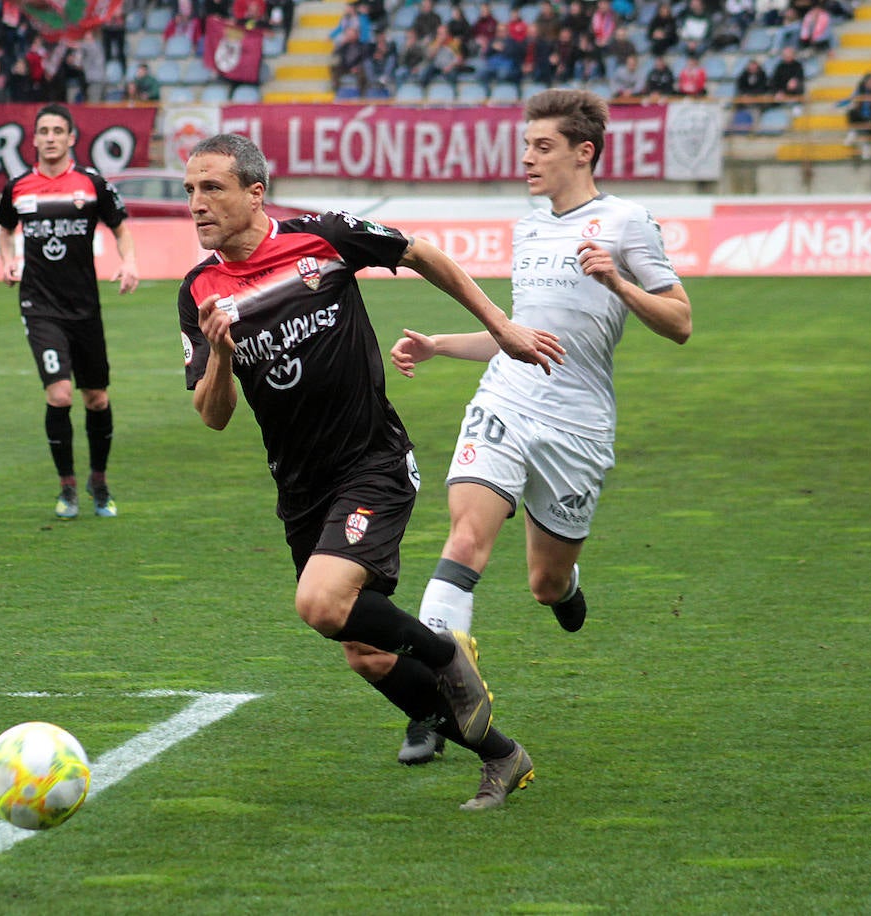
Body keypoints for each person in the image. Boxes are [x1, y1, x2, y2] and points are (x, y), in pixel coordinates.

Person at [177, 133, 566, 811]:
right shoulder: (200, 291)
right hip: (301, 488)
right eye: (189, 191)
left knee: (319, 601)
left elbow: (422, 254)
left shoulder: (323, 238)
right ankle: (502, 756)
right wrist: (217, 354)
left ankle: (446, 656)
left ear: (254, 192)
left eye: (212, 188)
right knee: (368, 653)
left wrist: (501, 326)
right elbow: (211, 416)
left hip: (372, 461)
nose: (197, 205)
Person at [389, 88, 691, 770]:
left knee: (544, 583)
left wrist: (619, 284)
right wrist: (440, 343)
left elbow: (680, 323)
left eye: (542, 146)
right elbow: (520, 337)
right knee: (465, 539)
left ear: (584, 152)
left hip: (578, 426)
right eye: (526, 145)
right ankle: (433, 704)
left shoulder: (626, 223)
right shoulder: (527, 228)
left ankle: (568, 585)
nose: (527, 158)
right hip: (506, 401)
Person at [0, 103, 139, 520]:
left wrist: (128, 262)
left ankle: (99, 481)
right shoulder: (18, 187)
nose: (51, 137)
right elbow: (4, 230)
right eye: (44, 130)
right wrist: (7, 260)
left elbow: (122, 228)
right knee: (59, 394)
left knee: (96, 398)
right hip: (39, 305)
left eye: (59, 130)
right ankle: (67, 488)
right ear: (35, 138)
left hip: (85, 307)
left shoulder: (92, 184)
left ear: (72, 137)